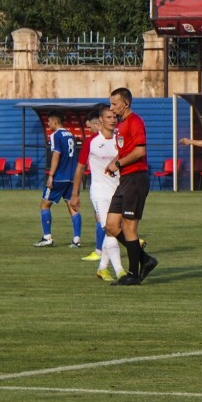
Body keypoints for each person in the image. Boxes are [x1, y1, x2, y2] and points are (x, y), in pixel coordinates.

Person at [106, 88, 158, 286]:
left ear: (125, 104)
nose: (112, 108)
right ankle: (145, 260)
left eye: (114, 104)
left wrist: (118, 164)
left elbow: (139, 151)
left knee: (129, 227)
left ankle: (133, 274)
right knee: (111, 224)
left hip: (136, 179)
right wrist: (114, 162)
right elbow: (126, 150)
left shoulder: (135, 121)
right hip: (125, 179)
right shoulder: (122, 125)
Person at [71, 104, 125, 282]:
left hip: (118, 191)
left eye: (114, 117)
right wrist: (75, 194)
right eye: (109, 117)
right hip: (100, 192)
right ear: (101, 120)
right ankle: (120, 271)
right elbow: (80, 168)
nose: (113, 120)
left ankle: (102, 268)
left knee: (114, 230)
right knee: (111, 229)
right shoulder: (91, 142)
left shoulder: (120, 139)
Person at [35, 111, 83, 249]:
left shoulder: (55, 135)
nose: (48, 124)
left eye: (49, 122)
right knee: (72, 207)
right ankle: (76, 240)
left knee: (44, 205)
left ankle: (47, 238)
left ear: (55, 122)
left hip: (59, 177)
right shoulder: (70, 135)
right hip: (72, 177)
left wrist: (51, 175)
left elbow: (56, 156)